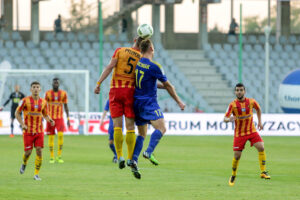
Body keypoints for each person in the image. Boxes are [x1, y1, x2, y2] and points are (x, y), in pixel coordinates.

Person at [130, 39, 185, 179]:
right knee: (161, 128)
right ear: (151, 49)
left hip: (137, 102)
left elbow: (148, 82)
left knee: (142, 134)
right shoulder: (155, 66)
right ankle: (149, 152)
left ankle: (133, 160)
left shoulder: (137, 63)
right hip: (149, 103)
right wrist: (179, 101)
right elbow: (168, 85)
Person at [94, 36, 144, 169]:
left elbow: (110, 67)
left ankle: (120, 155)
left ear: (134, 40)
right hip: (130, 92)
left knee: (117, 126)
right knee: (130, 127)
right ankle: (129, 158)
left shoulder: (120, 50)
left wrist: (98, 83)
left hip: (116, 90)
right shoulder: (141, 58)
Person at [224, 83, 270, 186]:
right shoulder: (232, 105)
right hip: (239, 134)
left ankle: (263, 172)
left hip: (251, 131)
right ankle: (233, 175)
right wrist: (229, 119)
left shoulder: (251, 101)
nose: (239, 92)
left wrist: (260, 122)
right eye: (237, 90)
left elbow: (258, 109)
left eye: (241, 90)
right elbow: (224, 118)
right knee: (237, 156)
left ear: (244, 91)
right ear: (235, 92)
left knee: (261, 147)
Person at [16, 81, 55, 181]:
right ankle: (24, 163)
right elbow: (17, 113)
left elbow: (45, 114)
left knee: (39, 151)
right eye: (34, 87)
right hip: (28, 131)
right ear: (30, 89)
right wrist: (22, 124)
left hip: (39, 131)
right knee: (28, 152)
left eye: (37, 87)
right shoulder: (25, 101)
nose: (36, 89)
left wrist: (50, 120)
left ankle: (36, 174)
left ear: (40, 89)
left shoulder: (43, 102)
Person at [45, 78, 70, 164]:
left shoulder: (63, 93)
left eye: (57, 83)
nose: (56, 84)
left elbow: (66, 106)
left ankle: (59, 156)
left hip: (59, 118)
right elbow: (44, 106)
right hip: (50, 118)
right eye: (54, 82)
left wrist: (68, 119)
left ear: (59, 84)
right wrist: (44, 117)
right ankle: (52, 156)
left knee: (60, 136)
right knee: (51, 137)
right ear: (52, 83)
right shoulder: (47, 93)